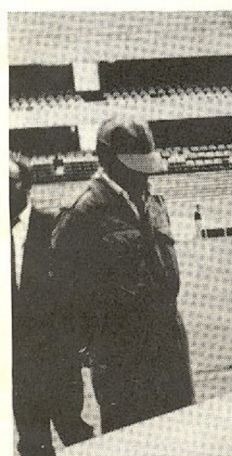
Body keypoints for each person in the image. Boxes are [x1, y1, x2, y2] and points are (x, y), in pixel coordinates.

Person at [52, 114, 195, 435]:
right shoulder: (84, 214)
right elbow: (64, 293)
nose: (144, 177)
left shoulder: (153, 201)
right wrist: (95, 346)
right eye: (135, 167)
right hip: (123, 359)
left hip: (170, 349)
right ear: (107, 160)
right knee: (133, 450)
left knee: (182, 443)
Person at [10, 157, 93, 456]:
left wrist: (77, 343)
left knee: (73, 431)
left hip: (57, 357)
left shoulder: (53, 226)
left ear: (23, 186)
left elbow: (77, 289)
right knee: (32, 442)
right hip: (17, 363)